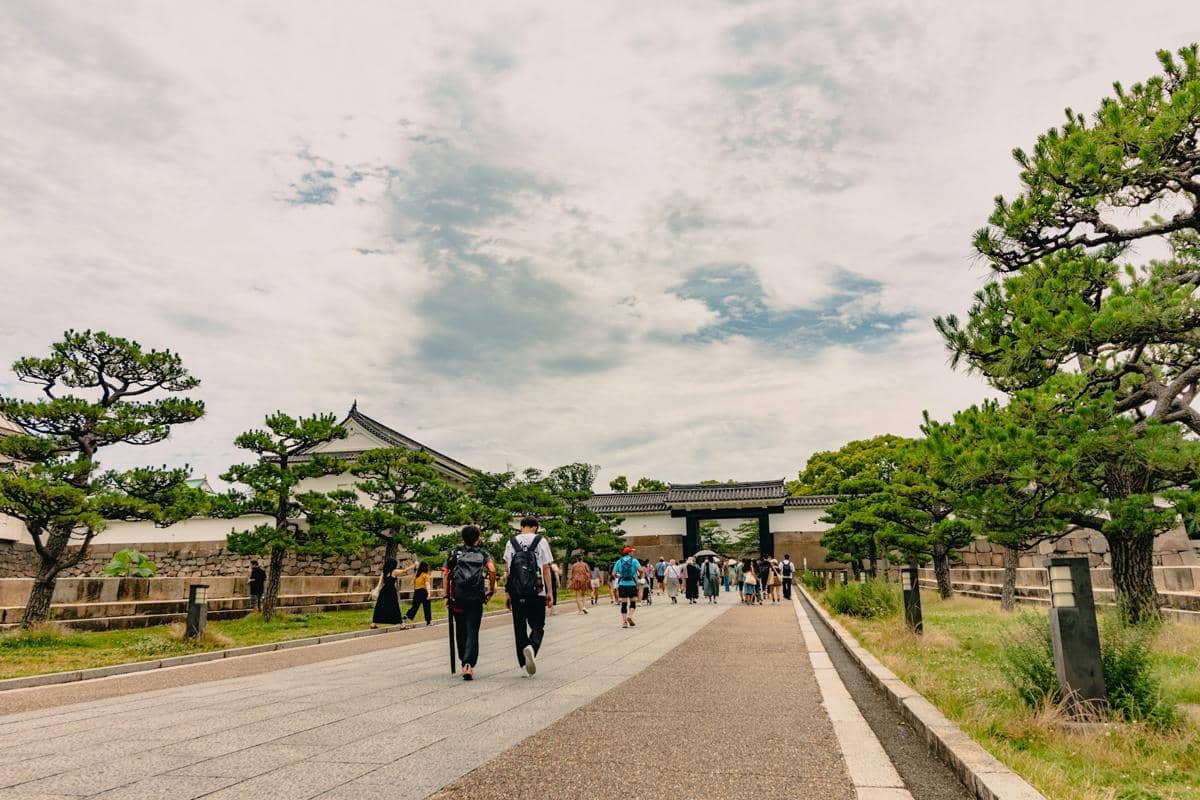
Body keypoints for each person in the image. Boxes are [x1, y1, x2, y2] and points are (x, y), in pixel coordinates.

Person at [503, 516, 554, 676]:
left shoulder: (511, 542)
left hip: (517, 591)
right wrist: (550, 592)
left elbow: (508, 571)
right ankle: (532, 646)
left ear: (521, 526)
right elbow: (546, 568)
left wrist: (507, 592)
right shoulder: (541, 541)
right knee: (538, 625)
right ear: (535, 527)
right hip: (538, 589)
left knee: (519, 627)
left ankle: (524, 667)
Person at [446, 525, 496, 681]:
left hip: (458, 596)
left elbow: (446, 573)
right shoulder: (482, 553)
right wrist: (491, 589)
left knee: (460, 629)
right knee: (472, 630)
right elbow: (492, 570)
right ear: (478, 538)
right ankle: (468, 664)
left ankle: (463, 661)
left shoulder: (455, 552)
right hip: (476, 596)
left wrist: (446, 595)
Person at [370, 558, 404, 628]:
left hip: (384, 591)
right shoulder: (394, 572)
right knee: (395, 607)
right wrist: (413, 565)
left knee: (379, 607)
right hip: (391, 591)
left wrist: (376, 590)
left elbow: (380, 583)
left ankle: (373, 624)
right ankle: (402, 625)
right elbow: (405, 571)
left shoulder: (384, 573)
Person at [612, 546, 641, 627]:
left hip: (622, 584)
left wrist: (619, 577)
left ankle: (624, 622)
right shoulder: (634, 561)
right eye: (632, 551)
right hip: (632, 584)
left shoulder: (619, 561)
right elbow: (641, 570)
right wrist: (640, 576)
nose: (633, 553)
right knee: (633, 602)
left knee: (624, 604)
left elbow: (613, 574)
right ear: (629, 553)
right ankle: (630, 616)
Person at [404, 561, 433, 625]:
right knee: (427, 607)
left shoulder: (417, 576)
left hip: (416, 592)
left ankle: (405, 617)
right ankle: (428, 621)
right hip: (423, 591)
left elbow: (412, 583)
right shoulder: (426, 575)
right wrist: (429, 593)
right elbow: (427, 584)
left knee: (414, 607)